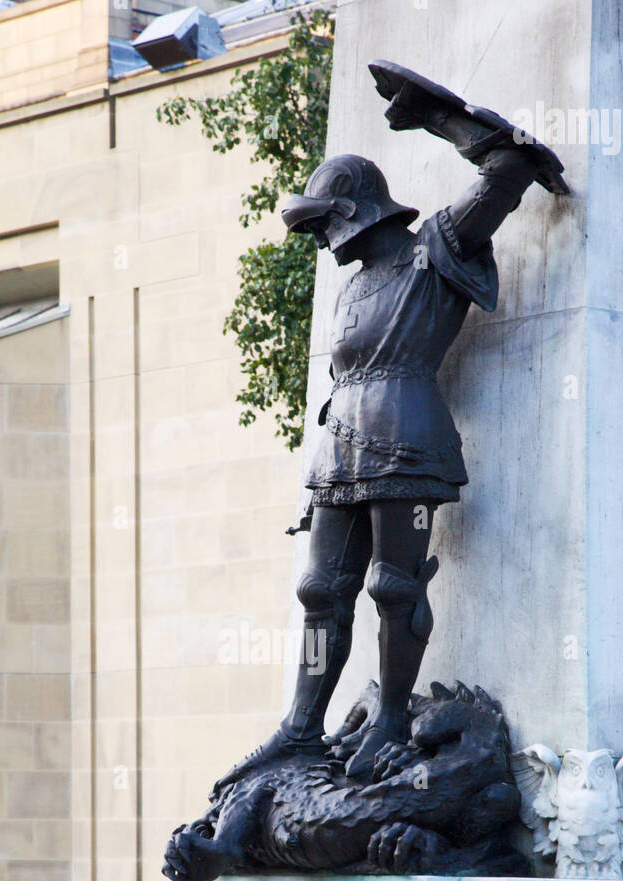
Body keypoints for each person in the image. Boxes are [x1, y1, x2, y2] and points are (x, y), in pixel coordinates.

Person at [214, 63, 566, 787]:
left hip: (407, 435)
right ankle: (301, 729)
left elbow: (509, 167)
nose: (317, 240)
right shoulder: (351, 287)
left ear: (351, 210)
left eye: (319, 223)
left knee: (393, 587)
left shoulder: (435, 245)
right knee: (320, 592)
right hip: (339, 450)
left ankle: (392, 723)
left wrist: (436, 116)